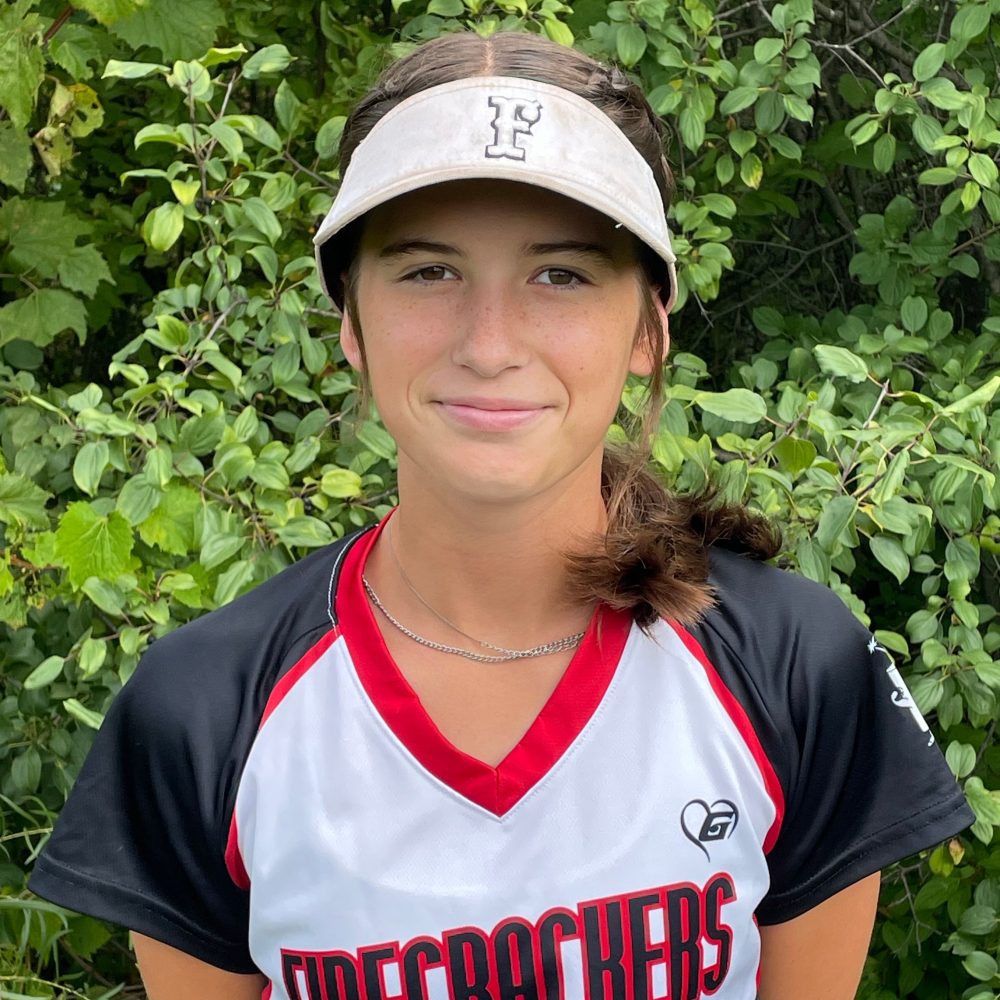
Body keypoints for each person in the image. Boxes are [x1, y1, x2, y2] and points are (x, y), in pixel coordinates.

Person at [30, 29, 973, 1000]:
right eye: (427, 271)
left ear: (648, 327)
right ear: (350, 320)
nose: (489, 345)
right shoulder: (201, 712)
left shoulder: (792, 664)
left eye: (560, 274)